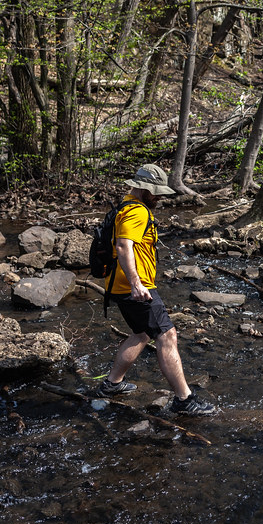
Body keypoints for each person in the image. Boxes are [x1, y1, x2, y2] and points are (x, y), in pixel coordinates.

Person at [98, 164, 215, 416]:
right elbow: (122, 246)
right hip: (134, 287)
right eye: (156, 192)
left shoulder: (125, 205)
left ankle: (111, 385)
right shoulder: (137, 212)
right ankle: (184, 400)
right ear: (143, 189)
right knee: (167, 335)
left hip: (118, 285)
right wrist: (136, 283)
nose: (159, 197)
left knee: (141, 334)